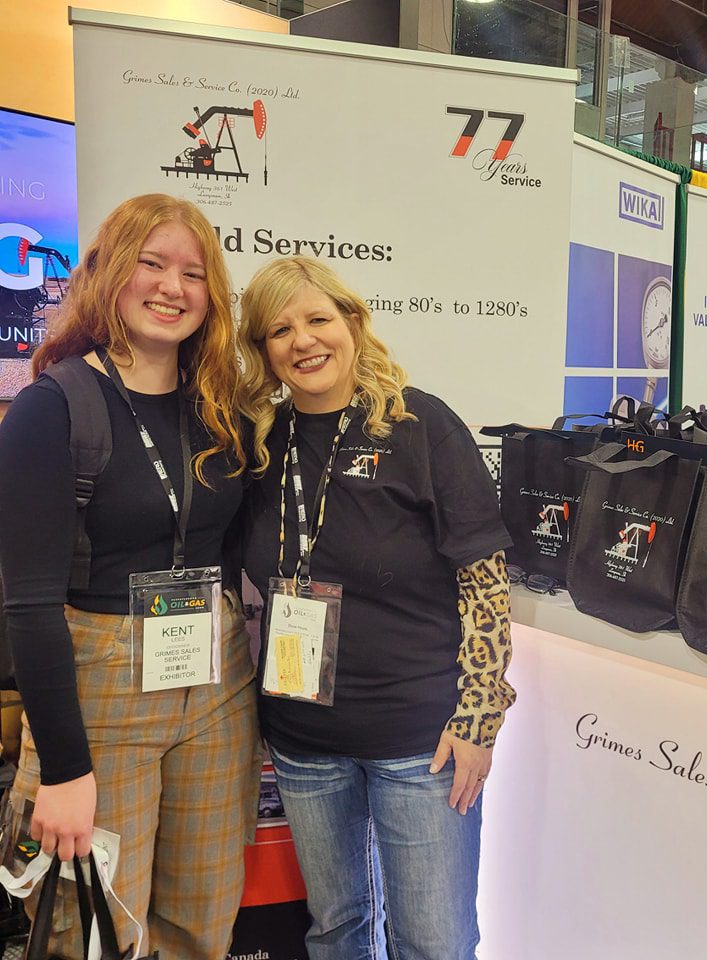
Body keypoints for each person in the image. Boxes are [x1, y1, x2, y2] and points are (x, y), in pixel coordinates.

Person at [0, 194, 261, 959]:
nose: (171, 287)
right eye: (152, 263)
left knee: (201, 921)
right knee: (94, 932)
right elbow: (31, 605)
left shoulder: (222, 407)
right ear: (111, 271)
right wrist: (65, 770)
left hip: (216, 685)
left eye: (192, 271)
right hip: (101, 695)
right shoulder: (54, 409)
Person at [238, 256, 515, 960]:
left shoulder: (419, 426)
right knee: (336, 929)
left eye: (318, 319)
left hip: (421, 741)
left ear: (353, 323)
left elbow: (484, 581)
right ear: (262, 350)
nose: (303, 341)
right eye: (279, 329)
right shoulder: (260, 444)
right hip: (303, 740)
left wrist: (480, 716)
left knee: (432, 941)